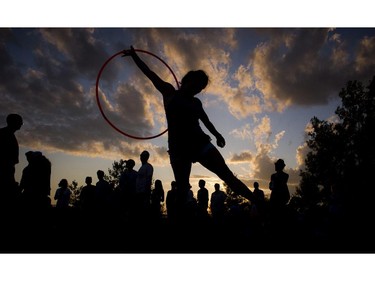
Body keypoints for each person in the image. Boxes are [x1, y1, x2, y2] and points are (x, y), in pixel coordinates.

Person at [123, 46, 253, 212]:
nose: (198, 90)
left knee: (227, 175)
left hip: (200, 142)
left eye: (201, 89)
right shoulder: (169, 92)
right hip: (179, 149)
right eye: (197, 85)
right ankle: (178, 221)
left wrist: (217, 135)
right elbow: (149, 73)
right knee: (182, 191)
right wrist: (134, 56)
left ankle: (261, 204)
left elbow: (206, 121)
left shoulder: (196, 103)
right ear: (187, 80)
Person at [0, 113, 23, 203]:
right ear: (14, 122)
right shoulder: (5, 134)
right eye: (20, 122)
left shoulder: (8, 134)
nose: (21, 124)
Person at [135, 150, 153, 216]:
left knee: (144, 211)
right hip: (139, 192)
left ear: (146, 157)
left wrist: (147, 191)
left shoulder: (148, 167)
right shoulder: (142, 167)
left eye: (143, 156)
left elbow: (149, 179)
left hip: (144, 192)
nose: (141, 157)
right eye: (141, 155)